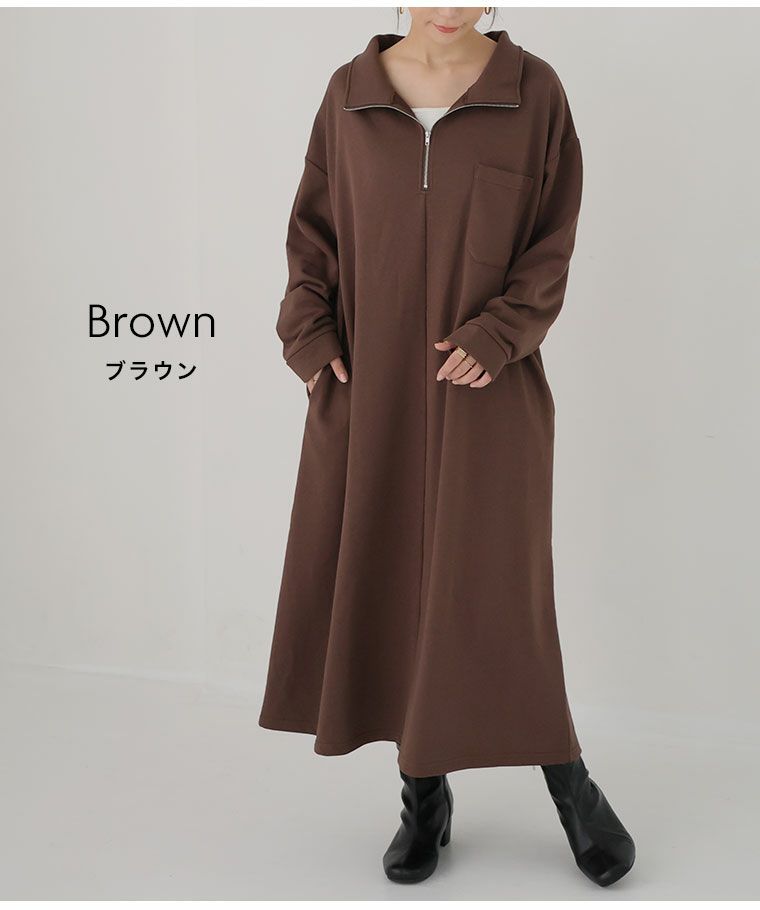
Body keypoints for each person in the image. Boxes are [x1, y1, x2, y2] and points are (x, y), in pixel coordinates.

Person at [259, 7, 635, 887]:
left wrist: (500, 332)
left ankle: (569, 782)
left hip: (486, 388)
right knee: (390, 581)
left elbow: (550, 243)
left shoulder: (533, 92)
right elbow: (312, 237)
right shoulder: (349, 94)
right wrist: (310, 341)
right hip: (371, 387)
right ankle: (422, 795)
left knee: (499, 592)